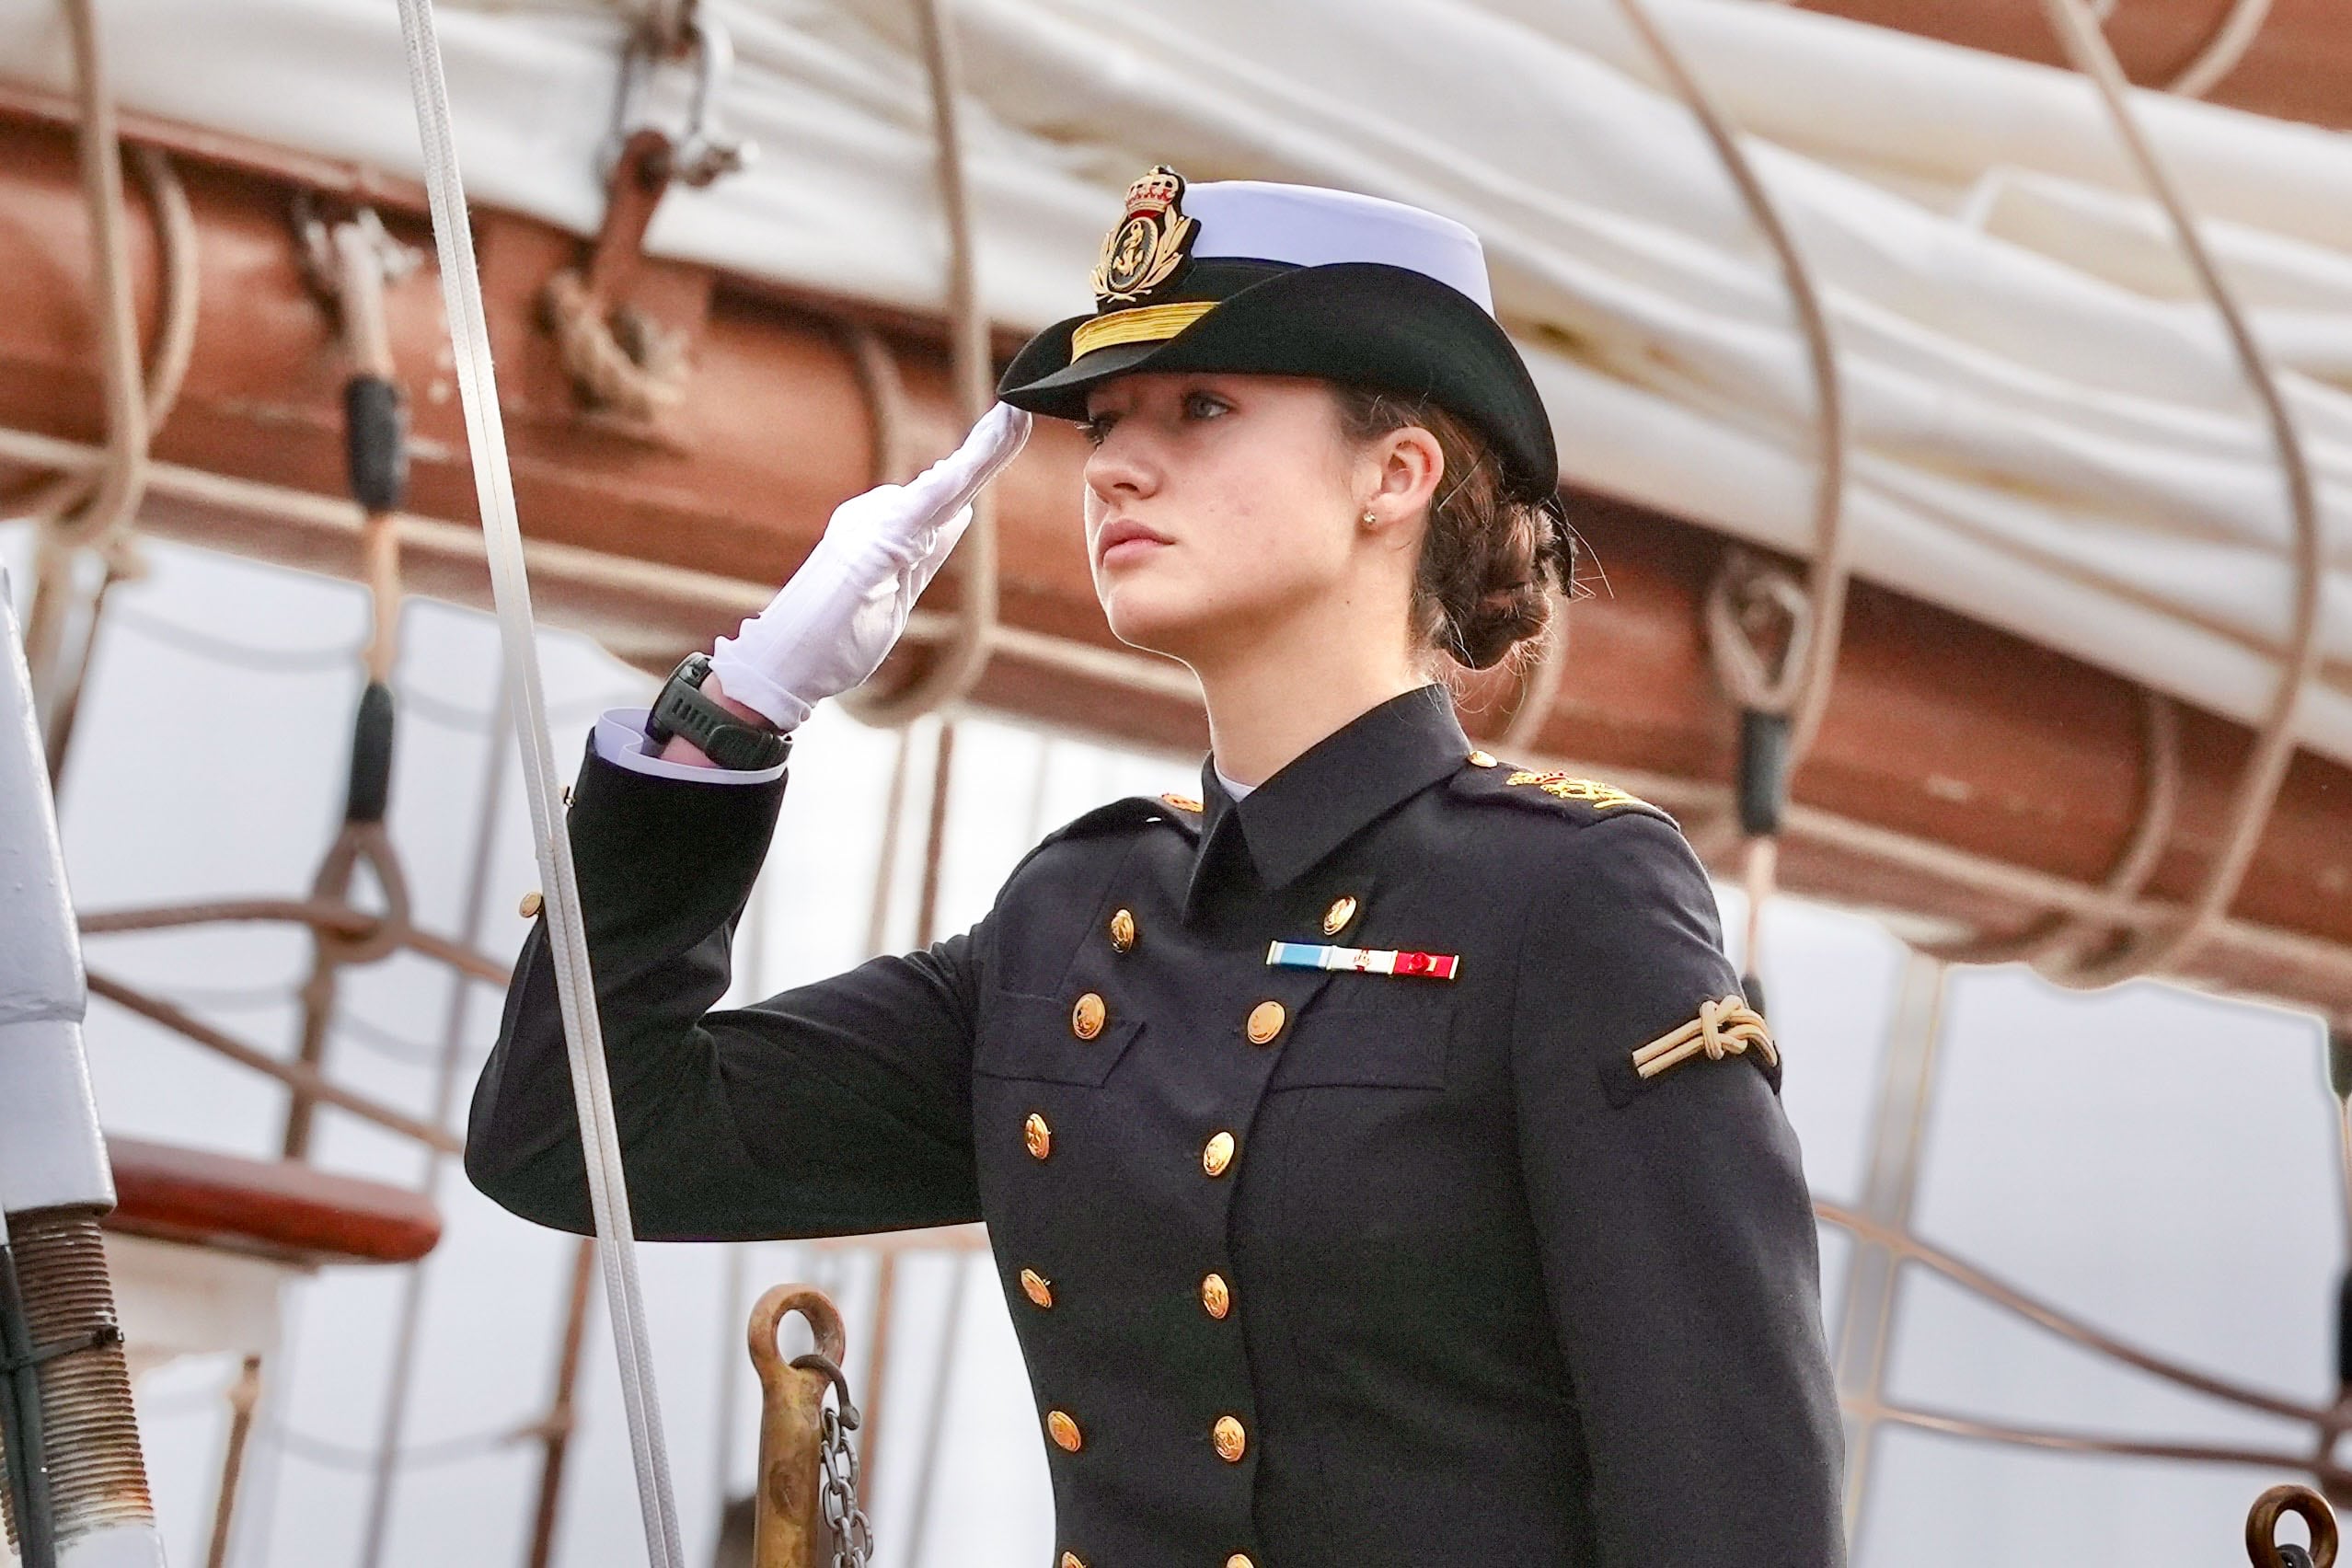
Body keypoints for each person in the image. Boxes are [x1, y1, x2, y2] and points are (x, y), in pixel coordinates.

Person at [468, 166, 1844, 1567]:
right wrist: (735, 711)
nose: (1117, 464)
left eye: (1202, 409)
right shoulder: (1077, 925)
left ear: (1397, 473)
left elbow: (1734, 1512)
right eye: (1109, 422)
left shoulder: (1567, 902)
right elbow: (576, 1139)